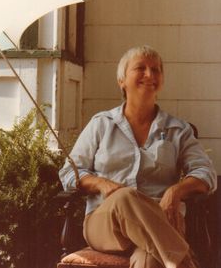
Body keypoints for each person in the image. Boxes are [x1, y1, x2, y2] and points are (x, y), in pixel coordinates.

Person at [59, 45, 217, 268]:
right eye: (140, 68)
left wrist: (176, 191)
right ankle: (185, 261)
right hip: (106, 224)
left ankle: (176, 258)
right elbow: (69, 172)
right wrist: (101, 184)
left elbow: (206, 173)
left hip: (162, 222)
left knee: (149, 261)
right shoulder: (101, 124)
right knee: (125, 197)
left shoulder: (178, 130)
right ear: (121, 81)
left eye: (156, 69)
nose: (150, 75)